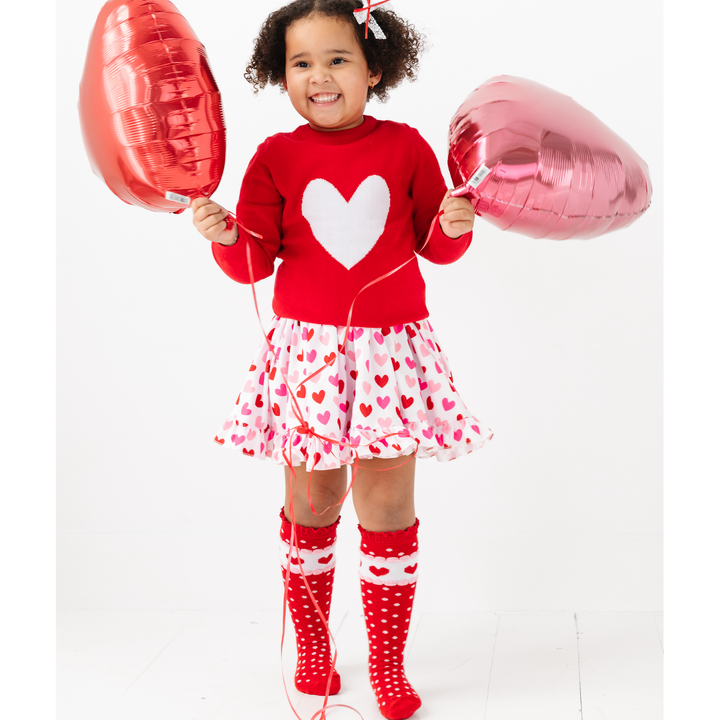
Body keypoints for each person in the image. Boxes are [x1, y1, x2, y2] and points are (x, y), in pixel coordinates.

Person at [192, 2, 492, 718]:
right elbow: (252, 263)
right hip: (311, 359)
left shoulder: (407, 147)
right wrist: (222, 234)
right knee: (311, 500)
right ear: (279, 74)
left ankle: (388, 663)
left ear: (374, 70)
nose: (319, 77)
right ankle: (316, 646)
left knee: (387, 503)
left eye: (337, 60)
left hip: (391, 350)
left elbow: (434, 245)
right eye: (301, 64)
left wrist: (454, 225)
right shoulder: (275, 157)